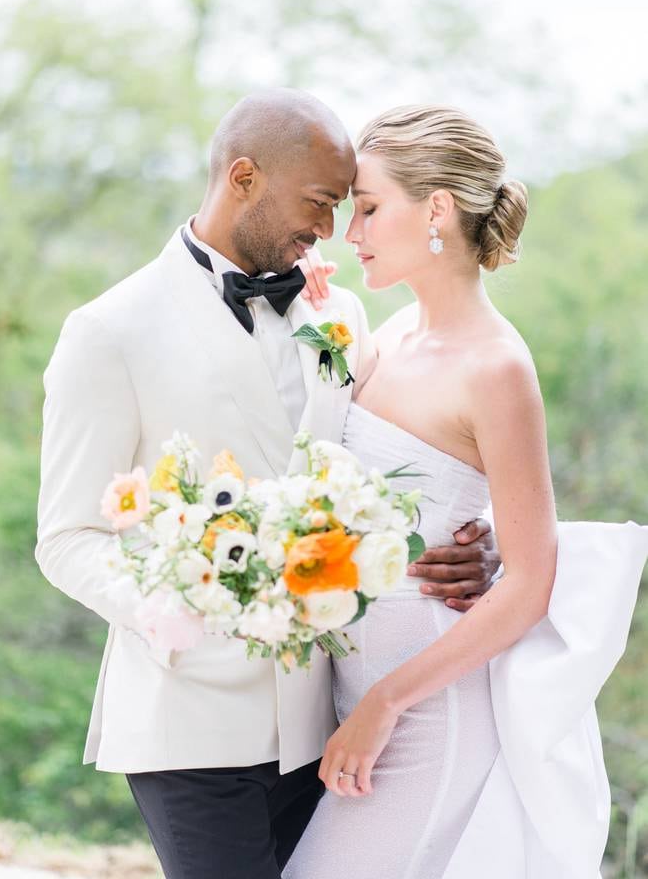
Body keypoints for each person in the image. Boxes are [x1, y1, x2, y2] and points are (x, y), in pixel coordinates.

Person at [35, 89, 498, 879]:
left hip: (326, 712)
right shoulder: (109, 332)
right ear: (243, 177)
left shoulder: (341, 314)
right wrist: (169, 608)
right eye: (319, 204)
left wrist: (469, 537)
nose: (328, 232)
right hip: (189, 718)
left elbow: (383, 457)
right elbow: (66, 536)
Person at [285, 104, 648, 879]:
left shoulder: (497, 367)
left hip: (424, 718)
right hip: (351, 701)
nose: (352, 234)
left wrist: (386, 702)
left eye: (371, 208)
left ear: (438, 210)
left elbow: (531, 581)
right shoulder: (383, 338)